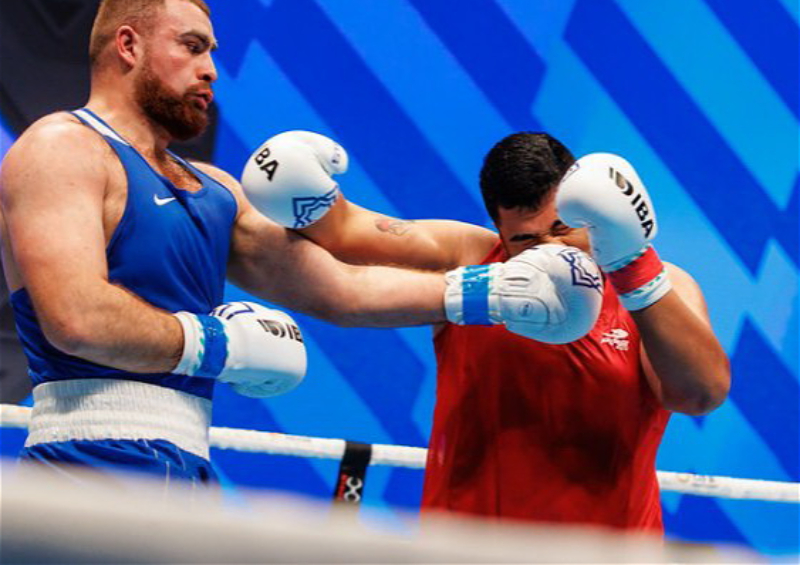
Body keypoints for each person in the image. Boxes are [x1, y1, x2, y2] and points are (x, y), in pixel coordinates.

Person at [0, 0, 601, 485]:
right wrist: (217, 344)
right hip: (84, 460)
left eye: (212, 52)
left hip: (187, 468)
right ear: (128, 45)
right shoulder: (62, 147)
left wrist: (492, 291)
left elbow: (343, 290)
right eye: (192, 46)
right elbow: (77, 318)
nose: (211, 70)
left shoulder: (215, 189)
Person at [242, 130, 731, 533]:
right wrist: (299, 191)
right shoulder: (471, 257)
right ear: (500, 233)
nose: (552, 250)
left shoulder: (659, 285)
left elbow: (700, 394)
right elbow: (346, 232)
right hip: (466, 550)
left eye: (563, 230)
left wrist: (634, 268)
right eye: (526, 240)